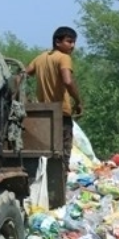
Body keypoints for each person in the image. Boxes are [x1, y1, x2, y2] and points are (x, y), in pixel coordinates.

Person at [25, 26, 83, 169]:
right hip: (61, 115)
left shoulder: (40, 58)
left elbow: (22, 75)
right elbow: (68, 81)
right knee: (62, 156)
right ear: (57, 42)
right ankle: (58, 190)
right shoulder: (64, 58)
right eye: (69, 41)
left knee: (46, 156)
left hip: (42, 116)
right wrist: (78, 101)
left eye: (74, 42)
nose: (72, 45)